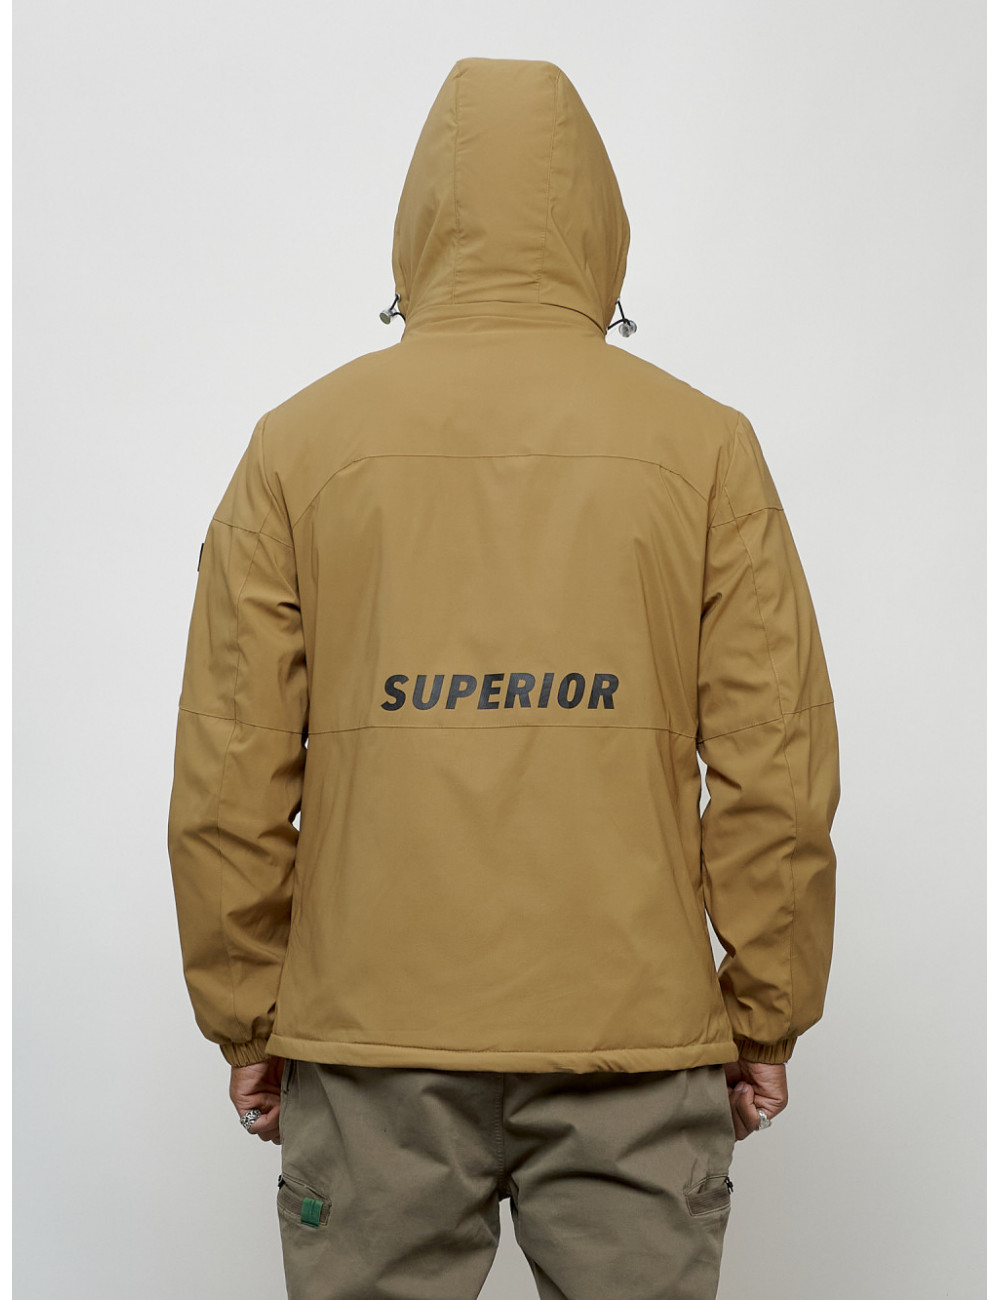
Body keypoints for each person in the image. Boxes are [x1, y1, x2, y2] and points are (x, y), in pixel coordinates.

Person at [167, 56, 839, 1300]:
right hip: (635, 1039)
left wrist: (249, 1015)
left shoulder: (299, 446)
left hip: (369, 1041)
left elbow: (228, 769)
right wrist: (765, 1010)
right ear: (597, 224)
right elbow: (775, 768)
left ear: (421, 221)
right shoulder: (704, 448)